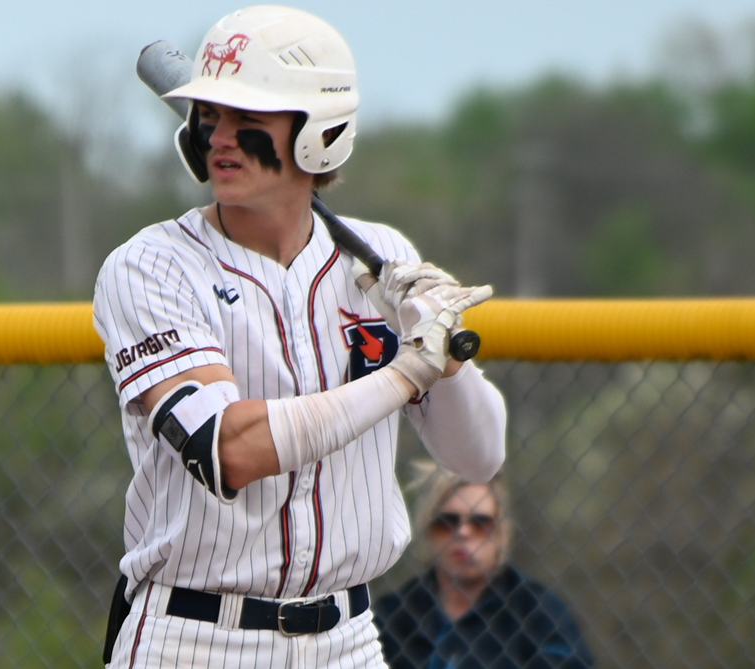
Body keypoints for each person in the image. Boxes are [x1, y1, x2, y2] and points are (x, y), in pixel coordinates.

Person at [92, 6, 507, 667]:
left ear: (320, 135)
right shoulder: (150, 265)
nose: (219, 138)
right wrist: (405, 374)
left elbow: (480, 455)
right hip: (196, 635)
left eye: (247, 121)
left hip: (347, 636)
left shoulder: (379, 257)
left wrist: (447, 356)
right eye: (210, 116)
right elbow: (229, 448)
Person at [372, 468, 594, 669]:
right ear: (429, 528)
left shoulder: (538, 612)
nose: (463, 533)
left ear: (500, 532)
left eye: (480, 522)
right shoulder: (393, 615)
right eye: (448, 521)